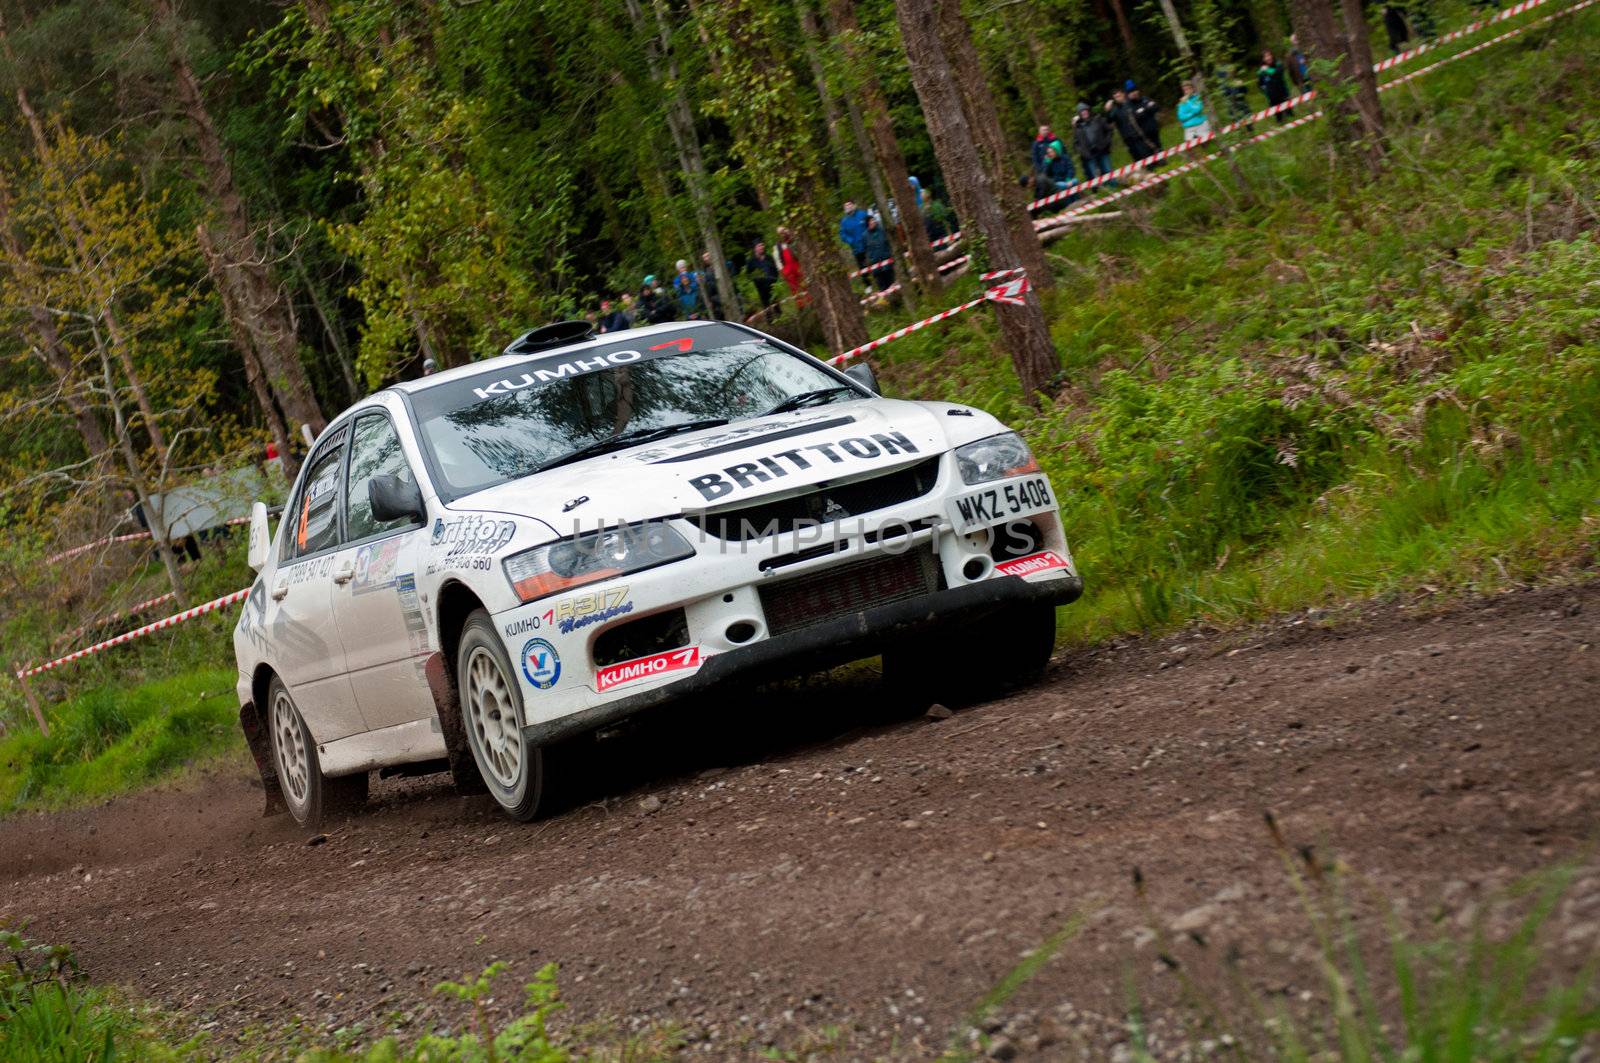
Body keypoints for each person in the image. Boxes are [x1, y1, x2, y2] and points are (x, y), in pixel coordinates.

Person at [1106, 84, 1159, 165]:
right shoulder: (1115, 110)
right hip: (1127, 138)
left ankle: (1156, 165)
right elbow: (1109, 120)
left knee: (1148, 152)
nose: (1118, 98)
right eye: (1116, 97)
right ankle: (1146, 172)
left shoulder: (1130, 103)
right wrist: (1108, 111)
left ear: (1123, 94)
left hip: (1139, 133)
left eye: (1119, 95)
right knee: (1136, 157)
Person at [1071, 102, 1114, 181]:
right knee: (1096, 178)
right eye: (1081, 112)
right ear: (1079, 114)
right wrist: (1082, 152)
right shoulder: (1078, 128)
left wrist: (1106, 142)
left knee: (1108, 171)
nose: (1084, 113)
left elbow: (1109, 130)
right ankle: (1103, 191)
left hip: (1102, 151)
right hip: (1089, 155)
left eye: (1085, 110)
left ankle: (1115, 187)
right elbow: (1076, 143)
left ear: (1088, 110)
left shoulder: (1098, 119)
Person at [747, 240, 781, 319]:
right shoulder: (751, 261)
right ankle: (770, 322)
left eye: (762, 245)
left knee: (775, 302)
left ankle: (780, 318)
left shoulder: (768, 257)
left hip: (772, 285)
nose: (762, 247)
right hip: (761, 287)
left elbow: (775, 269)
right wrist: (757, 280)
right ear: (755, 248)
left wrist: (774, 279)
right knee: (766, 305)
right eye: (759, 246)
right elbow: (749, 275)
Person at [1258, 51, 1294, 122]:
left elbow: (1278, 73)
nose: (1268, 58)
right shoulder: (1261, 71)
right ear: (1263, 59)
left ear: (1272, 56)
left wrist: (1267, 70)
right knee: (1279, 118)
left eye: (1269, 55)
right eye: (1265, 57)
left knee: (1290, 115)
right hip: (1272, 97)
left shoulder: (1278, 64)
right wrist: (1265, 90)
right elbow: (1260, 83)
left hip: (1283, 93)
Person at [862, 214, 894, 292]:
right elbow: (865, 250)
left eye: (874, 220)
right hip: (875, 264)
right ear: (867, 223)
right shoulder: (864, 236)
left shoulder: (882, 230)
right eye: (871, 221)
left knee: (891, 283)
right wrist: (869, 260)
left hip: (886, 260)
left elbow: (888, 243)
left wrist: (890, 255)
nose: (873, 222)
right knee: (882, 287)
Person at [776, 227, 807, 306]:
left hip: (796, 264)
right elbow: (778, 260)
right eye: (780, 233)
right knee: (793, 288)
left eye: (783, 231)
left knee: (803, 283)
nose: (783, 233)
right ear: (778, 235)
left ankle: (809, 300)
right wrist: (782, 271)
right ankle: (800, 305)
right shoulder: (778, 246)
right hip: (787, 268)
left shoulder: (792, 240)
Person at [837, 200, 872, 267]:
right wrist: (851, 241)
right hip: (857, 250)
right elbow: (842, 234)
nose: (847, 207)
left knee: (876, 268)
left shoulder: (863, 214)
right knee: (864, 272)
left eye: (849, 204)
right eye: (845, 206)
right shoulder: (844, 221)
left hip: (869, 246)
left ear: (854, 206)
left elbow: (871, 225)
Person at [699, 251, 723, 318]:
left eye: (707, 256)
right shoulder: (706, 272)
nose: (706, 259)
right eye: (704, 257)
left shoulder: (720, 266)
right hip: (715, 300)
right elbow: (708, 288)